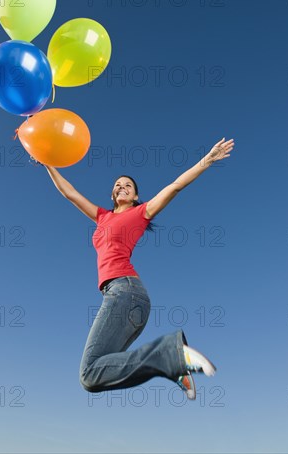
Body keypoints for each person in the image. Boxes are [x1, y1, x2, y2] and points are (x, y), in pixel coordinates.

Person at [44, 137, 234, 400]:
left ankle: (170, 354)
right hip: (124, 298)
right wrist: (46, 161)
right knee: (94, 375)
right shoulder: (102, 217)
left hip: (125, 292)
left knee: (88, 372)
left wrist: (208, 159)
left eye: (128, 185)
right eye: (117, 185)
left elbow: (175, 186)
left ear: (135, 196)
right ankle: (172, 366)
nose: (122, 187)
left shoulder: (141, 213)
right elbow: (70, 193)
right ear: (113, 194)